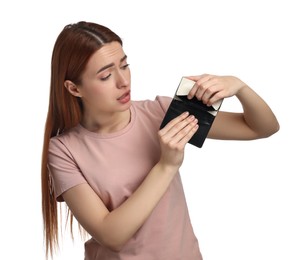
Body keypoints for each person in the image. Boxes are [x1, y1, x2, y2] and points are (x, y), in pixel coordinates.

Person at [41, 21, 279, 260]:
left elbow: (261, 128)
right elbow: (111, 236)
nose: (123, 81)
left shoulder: (161, 112)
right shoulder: (63, 150)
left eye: (125, 66)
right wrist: (167, 165)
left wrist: (239, 87)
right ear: (73, 88)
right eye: (105, 76)